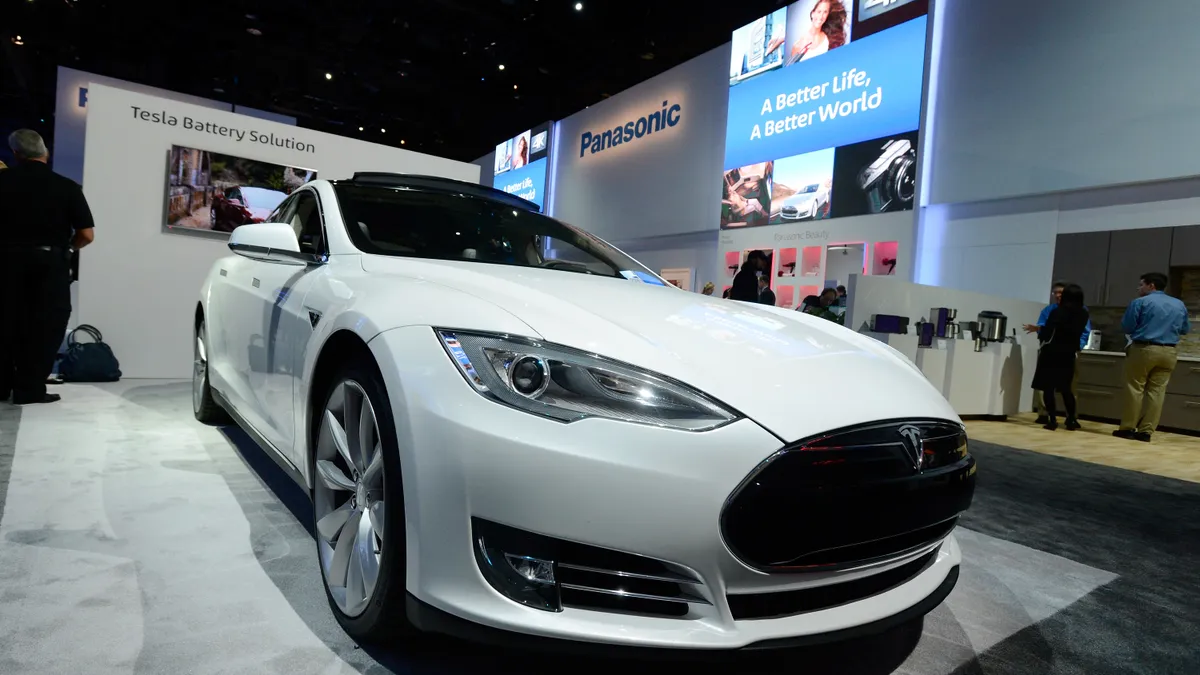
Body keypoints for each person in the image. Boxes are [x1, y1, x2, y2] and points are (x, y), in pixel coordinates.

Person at [0, 129, 95, 405]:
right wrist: (68, 249)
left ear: (16, 154)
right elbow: (86, 235)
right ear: (45, 153)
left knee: (5, 321)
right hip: (49, 264)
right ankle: (29, 389)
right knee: (46, 325)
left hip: (5, 263)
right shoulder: (66, 187)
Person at [1113, 272, 1190, 442]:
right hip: (1169, 352)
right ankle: (1146, 431)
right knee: (1157, 392)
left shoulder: (1140, 302)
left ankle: (1127, 428)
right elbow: (1185, 329)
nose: (1138, 287)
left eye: (1141, 284)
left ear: (1151, 285)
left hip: (1144, 349)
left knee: (1135, 388)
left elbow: (1127, 326)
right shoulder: (1179, 304)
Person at [1024, 281, 1093, 424]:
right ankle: (1071, 419)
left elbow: (1049, 331)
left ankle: (1052, 419)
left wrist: (1041, 335)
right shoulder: (1083, 313)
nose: (1057, 295)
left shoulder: (1057, 312)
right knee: (1066, 388)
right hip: (1069, 353)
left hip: (1052, 351)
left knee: (1048, 387)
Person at [786, 0, 848, 64]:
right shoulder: (797, 45)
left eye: (825, 12)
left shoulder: (829, 38)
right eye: (819, 12)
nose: (821, 16)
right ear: (813, 13)